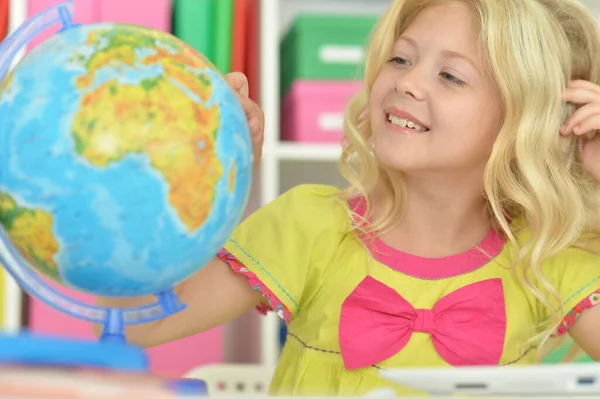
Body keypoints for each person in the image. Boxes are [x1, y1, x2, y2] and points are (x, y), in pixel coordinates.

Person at [96, 0, 600, 395]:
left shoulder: (547, 256)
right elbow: (135, 325)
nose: (406, 81)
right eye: (400, 58)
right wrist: (202, 181)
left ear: (522, 122)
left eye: (450, 75)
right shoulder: (312, 223)